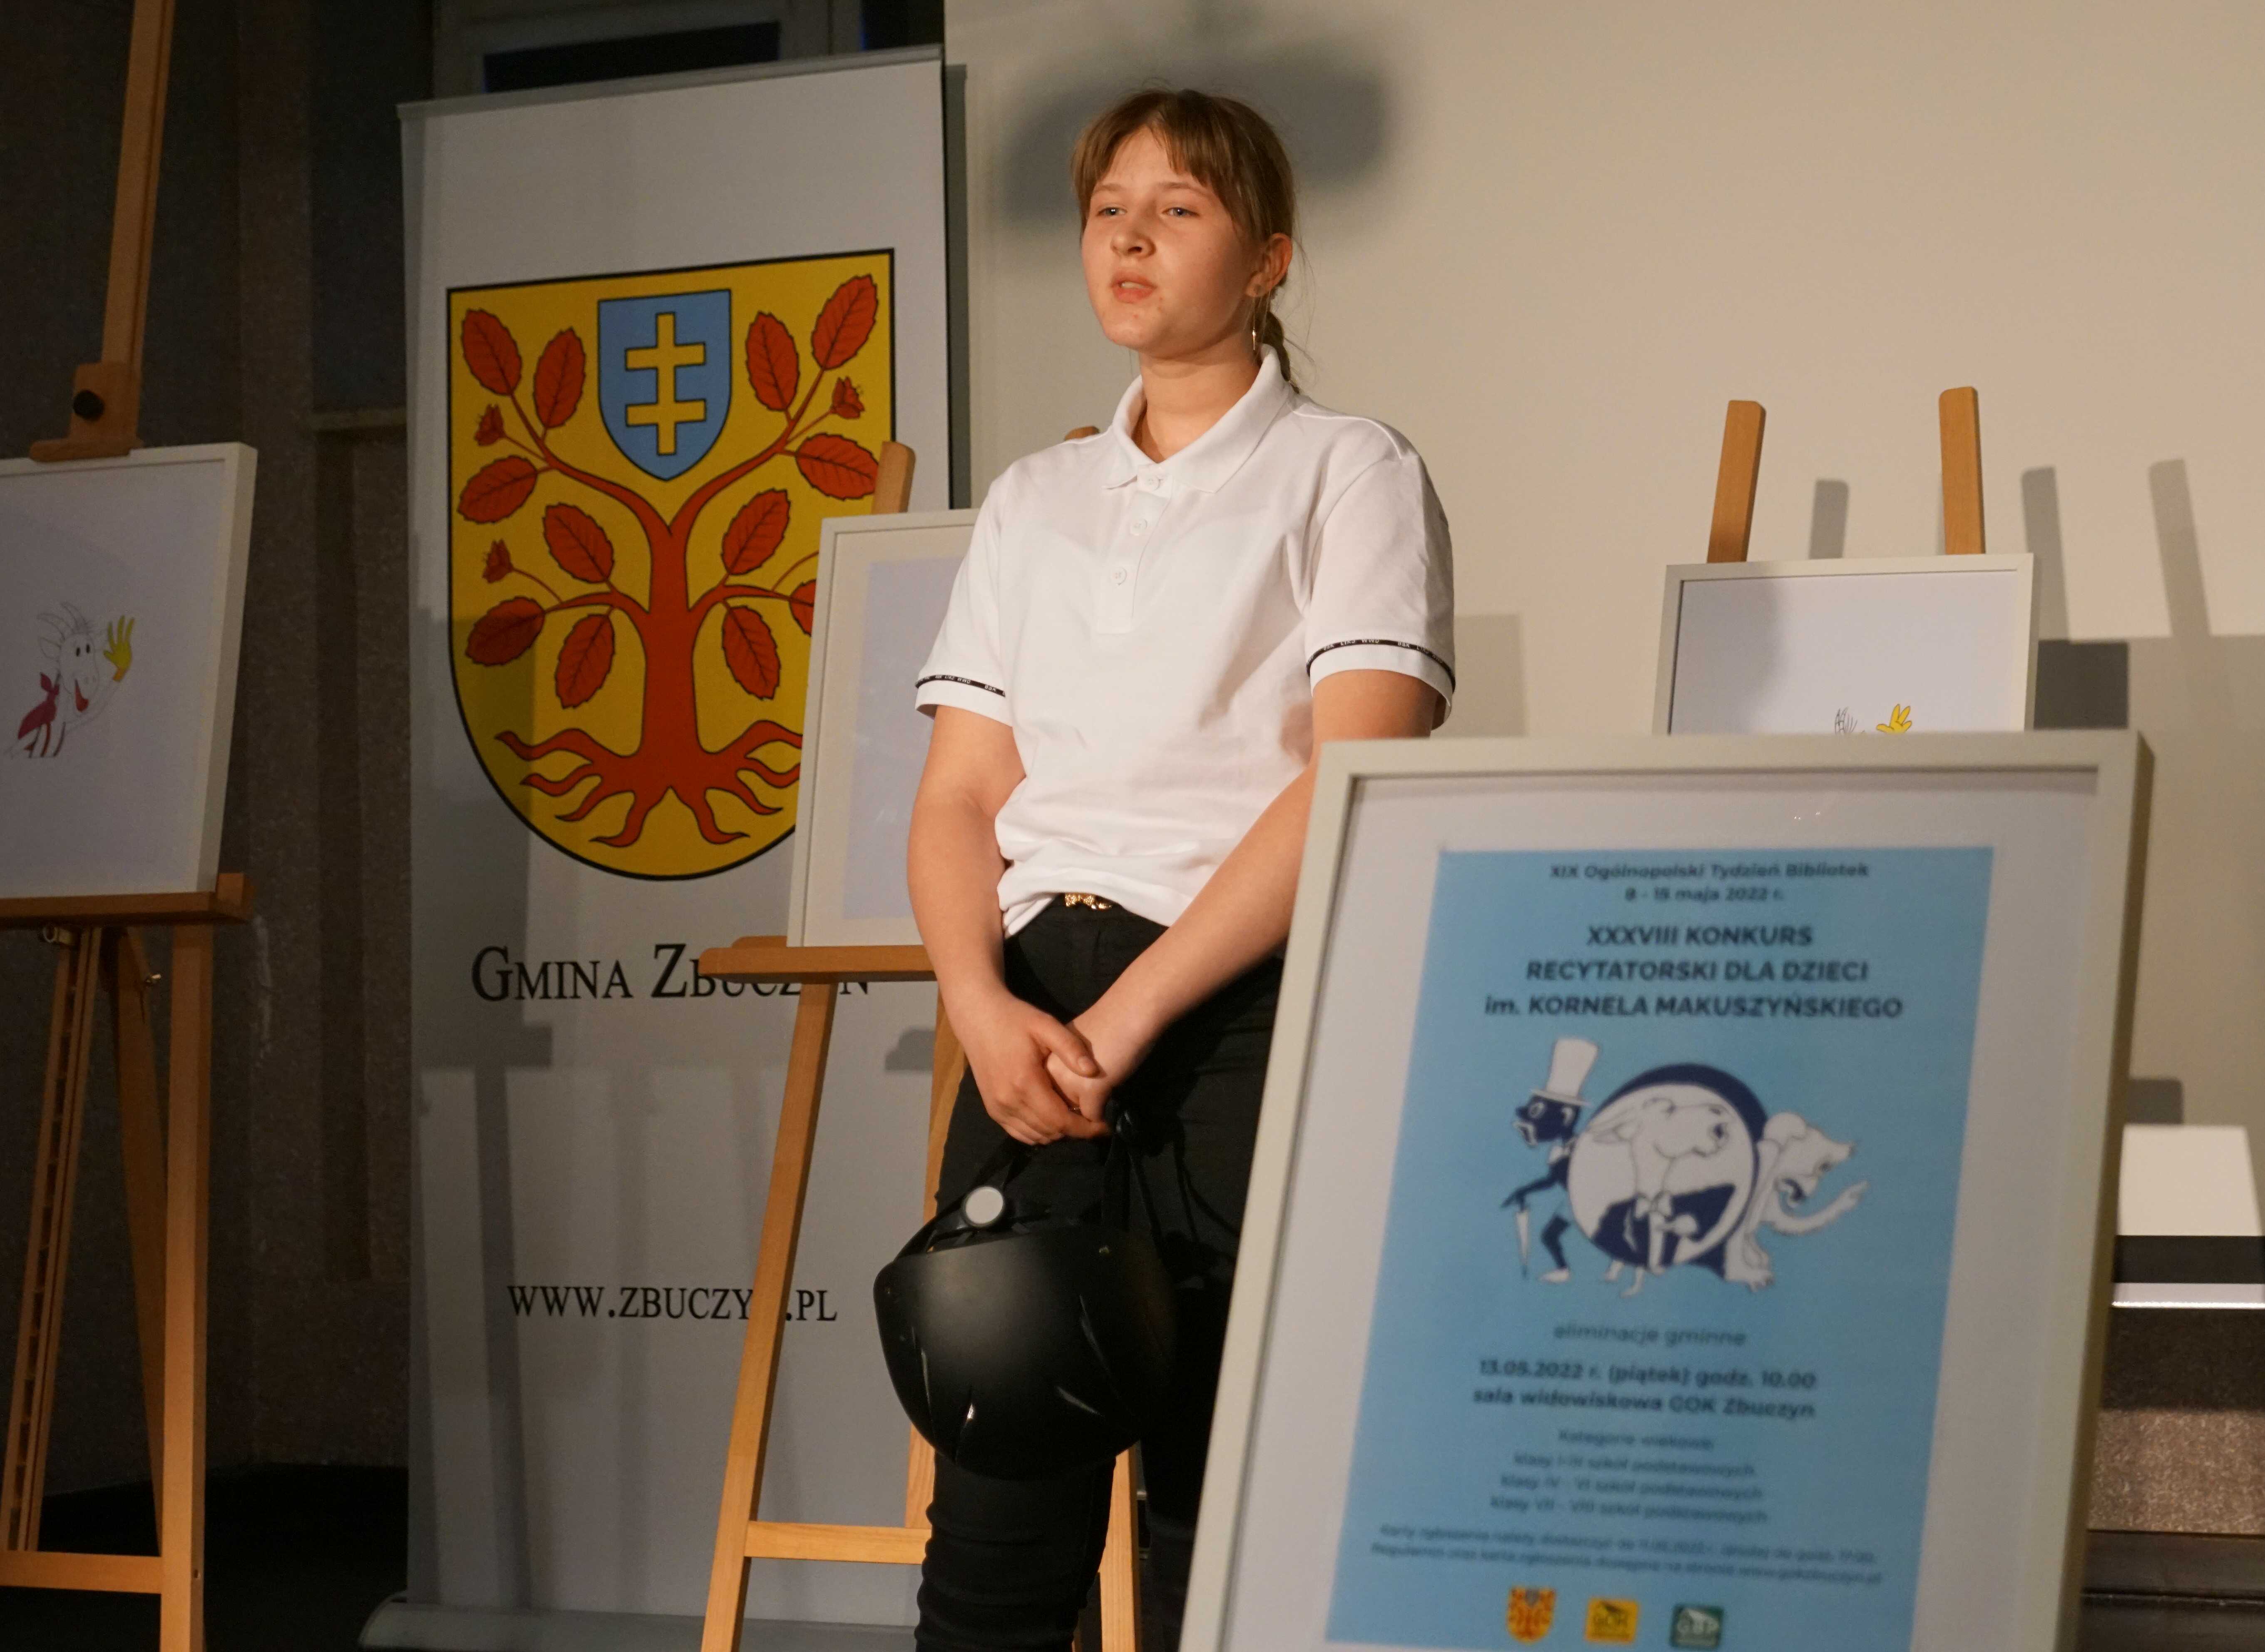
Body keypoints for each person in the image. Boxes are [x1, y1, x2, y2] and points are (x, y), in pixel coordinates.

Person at [906, 87, 1455, 1651]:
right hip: (1031, 1023)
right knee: (997, 1509)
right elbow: (958, 796)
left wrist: (1134, 1012)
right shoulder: (1036, 497)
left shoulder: (1348, 467)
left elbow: (1354, 770)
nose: (1130, 238)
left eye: (1179, 209)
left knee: (1225, 1517)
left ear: (1268, 258)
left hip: (1236, 1010)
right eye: (1107, 210)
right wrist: (981, 1009)